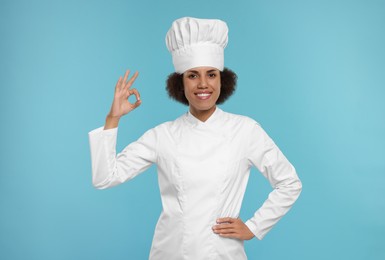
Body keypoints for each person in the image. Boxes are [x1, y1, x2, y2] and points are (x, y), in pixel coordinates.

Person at [89, 17, 302, 260]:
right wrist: (113, 117)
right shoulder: (163, 135)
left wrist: (254, 226)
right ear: (180, 82)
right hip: (169, 252)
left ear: (223, 80)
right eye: (192, 75)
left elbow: (290, 183)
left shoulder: (245, 130)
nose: (203, 84)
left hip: (224, 253)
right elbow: (105, 178)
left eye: (211, 74)